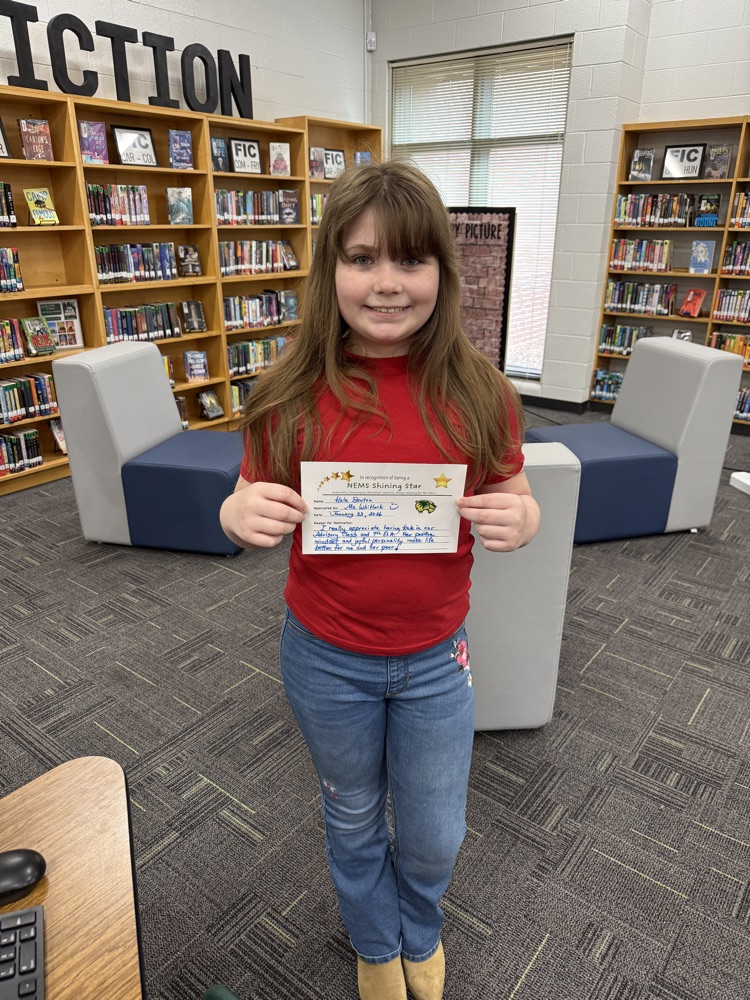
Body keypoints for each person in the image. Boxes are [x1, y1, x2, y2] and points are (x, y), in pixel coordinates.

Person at [220, 160, 540, 1000]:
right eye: (361, 259)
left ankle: (420, 926)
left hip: (438, 660)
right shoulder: (287, 394)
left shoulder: (480, 391)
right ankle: (373, 940)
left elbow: (514, 490)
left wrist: (522, 517)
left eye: (410, 260)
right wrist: (236, 515)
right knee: (354, 813)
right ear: (330, 271)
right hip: (326, 657)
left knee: (435, 831)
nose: (387, 283)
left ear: (443, 269)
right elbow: (246, 491)